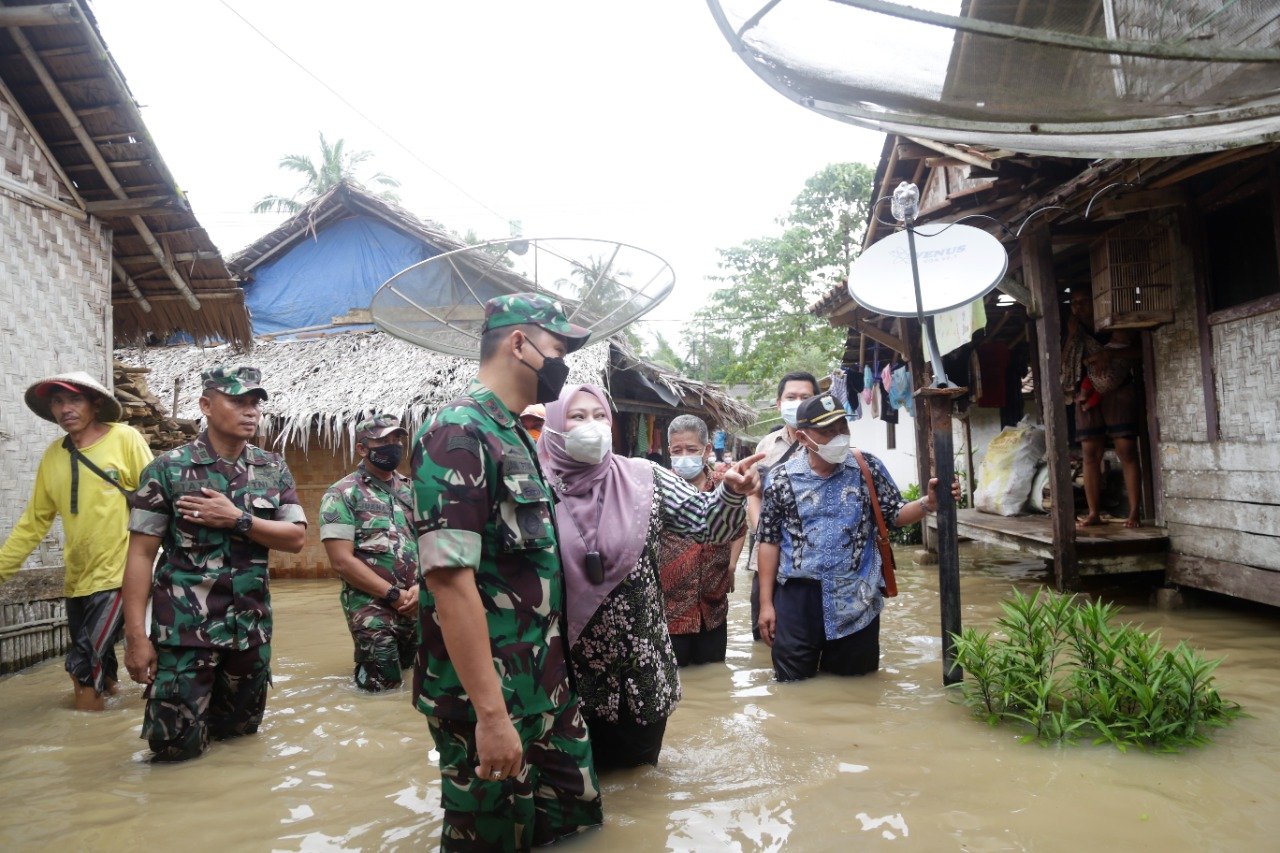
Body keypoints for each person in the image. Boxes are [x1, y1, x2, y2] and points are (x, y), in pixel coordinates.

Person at [410, 293, 601, 851]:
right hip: (489, 700)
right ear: (519, 343)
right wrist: (491, 717)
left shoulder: (514, 433)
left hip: (545, 686)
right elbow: (449, 581)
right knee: (492, 838)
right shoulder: (457, 433)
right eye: (558, 348)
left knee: (576, 825)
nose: (563, 364)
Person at [538, 386, 761, 770]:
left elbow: (709, 524)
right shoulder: (533, 487)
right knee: (574, 788)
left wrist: (731, 494)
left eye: (599, 416)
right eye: (577, 417)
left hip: (639, 672)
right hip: (563, 674)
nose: (592, 426)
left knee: (640, 785)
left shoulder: (645, 478)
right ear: (554, 426)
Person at [122, 366, 307, 762]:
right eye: (237, 401)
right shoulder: (167, 470)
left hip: (250, 636)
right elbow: (139, 555)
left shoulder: (272, 468)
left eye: (255, 402)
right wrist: (136, 636)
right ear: (206, 405)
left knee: (240, 748)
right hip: (184, 639)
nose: (250, 411)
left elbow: (296, 539)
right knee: (175, 754)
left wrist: (238, 519)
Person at [755, 393, 957, 682]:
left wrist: (929, 503)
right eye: (827, 431)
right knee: (792, 684)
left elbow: (894, 514)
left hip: (856, 598)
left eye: (842, 428)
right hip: (798, 599)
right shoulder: (780, 479)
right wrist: (766, 604)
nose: (838, 436)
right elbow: (769, 540)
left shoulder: (867, 468)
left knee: (856, 686)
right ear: (802, 436)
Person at [0, 372, 153, 711]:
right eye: (57, 401)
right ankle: (110, 731)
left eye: (74, 399)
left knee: (82, 666)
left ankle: (86, 750)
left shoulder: (124, 439)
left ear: (95, 403)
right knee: (103, 668)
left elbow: (155, 500)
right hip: (77, 582)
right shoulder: (53, 455)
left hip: (118, 576)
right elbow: (32, 523)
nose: (65, 408)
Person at [319, 414, 418, 691]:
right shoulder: (342, 493)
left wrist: (422, 587)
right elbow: (341, 561)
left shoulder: (414, 490)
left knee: (417, 678)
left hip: (418, 601)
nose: (393, 445)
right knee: (382, 685)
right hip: (370, 605)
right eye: (383, 440)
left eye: (397, 439)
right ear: (362, 448)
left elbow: (434, 544)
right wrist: (393, 595)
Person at [657, 415, 746, 667]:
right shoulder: (658, 489)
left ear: (707, 449)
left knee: (715, 681)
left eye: (691, 449)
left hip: (713, 608)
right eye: (677, 450)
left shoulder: (724, 486)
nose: (684, 455)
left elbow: (739, 529)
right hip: (671, 610)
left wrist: (731, 565)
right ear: (670, 451)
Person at [1061, 287, 1144, 528]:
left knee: (1126, 449)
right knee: (1090, 454)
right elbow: (1066, 361)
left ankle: (1134, 512)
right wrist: (1071, 335)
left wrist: (1109, 357)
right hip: (1086, 394)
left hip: (1118, 389)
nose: (1078, 307)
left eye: (1083, 300)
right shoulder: (1076, 332)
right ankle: (1094, 513)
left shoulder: (1112, 323)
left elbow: (1140, 349)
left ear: (1095, 301)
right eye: (1074, 303)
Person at [746, 371, 819, 640]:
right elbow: (753, 493)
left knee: (803, 637)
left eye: (805, 397)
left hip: (809, 564)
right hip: (764, 559)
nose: (798, 402)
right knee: (763, 635)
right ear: (778, 403)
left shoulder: (828, 444)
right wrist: (762, 531)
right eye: (791, 397)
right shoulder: (766, 445)